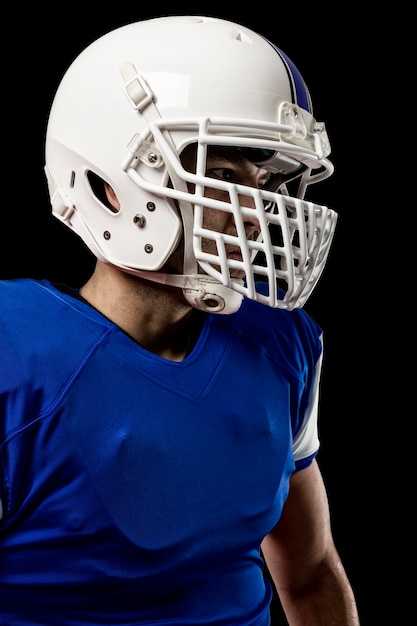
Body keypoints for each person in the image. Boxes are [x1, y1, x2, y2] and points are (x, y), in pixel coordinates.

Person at [0, 14, 360, 626]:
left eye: (265, 184)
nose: (255, 215)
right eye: (221, 179)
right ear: (110, 186)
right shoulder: (14, 355)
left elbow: (309, 570)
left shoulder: (280, 343)